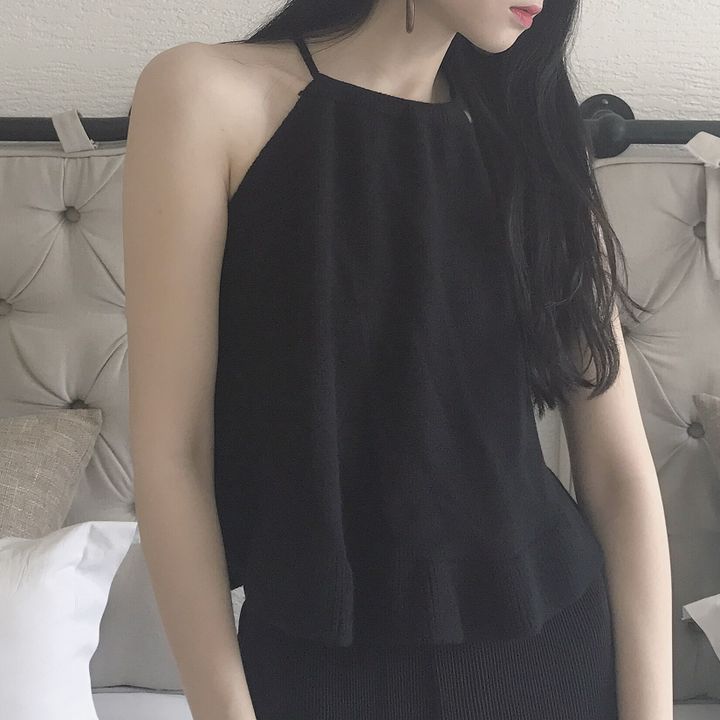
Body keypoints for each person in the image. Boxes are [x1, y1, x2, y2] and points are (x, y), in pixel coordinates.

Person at [121, 1, 673, 719]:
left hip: (554, 652)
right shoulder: (206, 95)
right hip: (315, 660)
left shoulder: (534, 132)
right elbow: (175, 453)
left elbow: (618, 471)